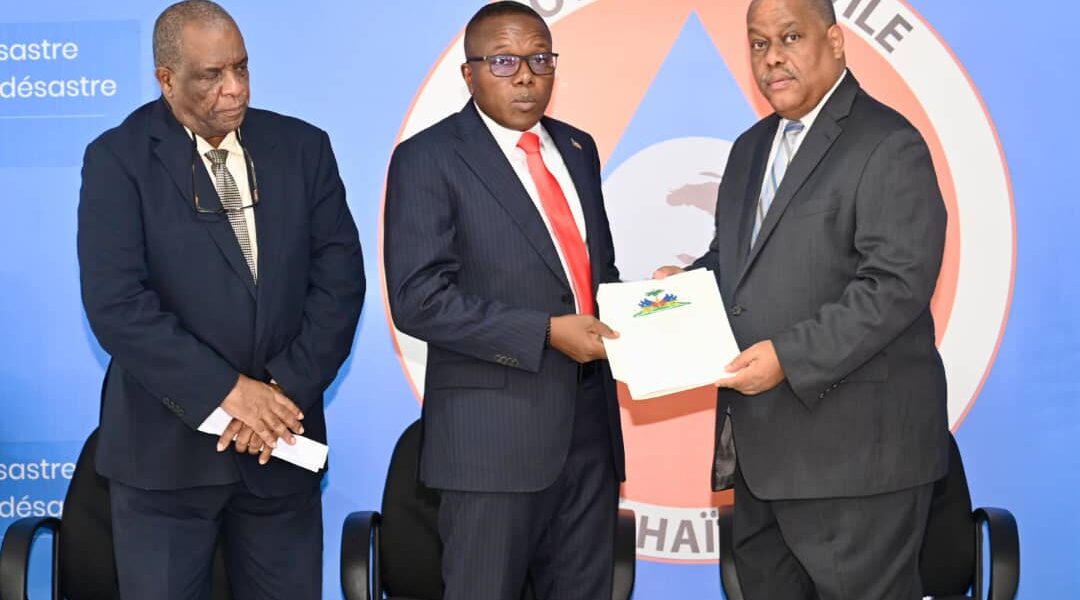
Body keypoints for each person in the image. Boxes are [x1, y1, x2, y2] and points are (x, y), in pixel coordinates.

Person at [655, 0, 949, 597]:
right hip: (761, 457)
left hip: (855, 462)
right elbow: (735, 266)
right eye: (758, 43)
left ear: (835, 42)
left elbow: (895, 285)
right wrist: (679, 290)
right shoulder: (749, 148)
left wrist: (788, 358)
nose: (772, 58)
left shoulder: (887, 142)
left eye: (790, 37)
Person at [77, 1, 365, 597]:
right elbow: (117, 304)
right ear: (166, 79)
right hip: (165, 461)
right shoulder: (118, 159)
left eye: (241, 68)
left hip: (280, 450)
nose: (234, 89)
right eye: (212, 75)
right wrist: (231, 393)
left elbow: (339, 283)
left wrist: (279, 394)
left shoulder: (302, 146)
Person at [383, 3, 625, 598]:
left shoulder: (578, 148)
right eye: (503, 61)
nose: (525, 76)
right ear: (469, 74)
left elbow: (595, 277)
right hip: (491, 444)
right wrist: (545, 332)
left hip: (590, 435)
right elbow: (418, 299)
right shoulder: (428, 157)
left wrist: (655, 308)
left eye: (540, 59)